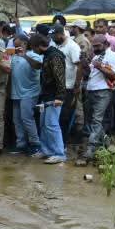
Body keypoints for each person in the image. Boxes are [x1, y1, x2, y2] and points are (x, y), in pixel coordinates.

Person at [84, 34, 115, 160]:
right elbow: (91, 73)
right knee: (92, 120)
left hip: (103, 91)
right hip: (91, 89)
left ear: (106, 44)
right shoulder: (96, 56)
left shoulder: (113, 56)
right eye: (93, 46)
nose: (95, 48)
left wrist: (100, 67)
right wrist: (85, 63)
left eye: (97, 46)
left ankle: (91, 147)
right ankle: (105, 140)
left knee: (96, 119)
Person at [33, 32, 67, 164]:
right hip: (46, 96)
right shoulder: (48, 55)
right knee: (43, 124)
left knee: (52, 125)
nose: (34, 51)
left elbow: (60, 78)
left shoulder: (55, 57)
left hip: (54, 97)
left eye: (34, 48)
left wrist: (60, 97)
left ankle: (59, 153)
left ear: (38, 46)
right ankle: (46, 150)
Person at [9, 37, 42, 156]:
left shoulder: (34, 55)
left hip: (30, 92)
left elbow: (38, 66)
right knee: (17, 119)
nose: (17, 47)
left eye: (19, 45)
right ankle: (21, 144)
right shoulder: (14, 57)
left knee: (27, 118)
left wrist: (25, 56)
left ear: (25, 44)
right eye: (15, 45)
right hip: (16, 93)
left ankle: (35, 144)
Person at [50, 21, 83, 142]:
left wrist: (77, 85)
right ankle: (57, 142)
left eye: (54, 36)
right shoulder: (55, 44)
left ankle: (62, 143)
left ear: (60, 34)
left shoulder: (72, 46)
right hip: (57, 87)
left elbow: (80, 66)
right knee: (56, 117)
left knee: (65, 116)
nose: (52, 38)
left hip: (69, 87)